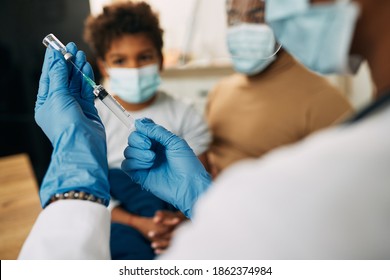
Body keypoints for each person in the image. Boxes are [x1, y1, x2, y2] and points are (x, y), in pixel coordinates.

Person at [19, 0, 390, 259]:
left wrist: (75, 185)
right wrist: (202, 201)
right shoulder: (223, 93)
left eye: (260, 11)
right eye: (233, 13)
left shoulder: (349, 159)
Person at [83, 2, 211, 259]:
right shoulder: (92, 117)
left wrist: (177, 223)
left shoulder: (184, 112)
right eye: (120, 60)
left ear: (161, 60)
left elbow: (197, 184)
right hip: (116, 209)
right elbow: (89, 192)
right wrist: (138, 223)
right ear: (104, 67)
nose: (134, 69)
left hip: (170, 209)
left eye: (144, 57)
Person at [206, 0, 353, 177]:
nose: (243, 27)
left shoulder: (323, 102)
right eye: (233, 17)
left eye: (257, 16)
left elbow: (341, 184)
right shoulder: (220, 90)